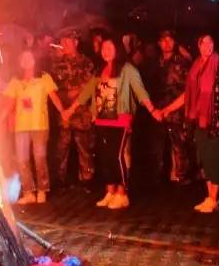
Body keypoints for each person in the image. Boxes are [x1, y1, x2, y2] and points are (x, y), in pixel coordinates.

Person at [66, 37, 159, 209]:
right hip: (101, 120)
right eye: (103, 48)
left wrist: (153, 110)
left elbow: (140, 91)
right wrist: (70, 110)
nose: (106, 51)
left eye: (110, 47)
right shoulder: (100, 70)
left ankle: (122, 194)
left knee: (117, 157)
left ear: (117, 49)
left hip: (120, 119)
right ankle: (110, 191)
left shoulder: (127, 69)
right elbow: (86, 92)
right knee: (105, 158)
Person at [3, 49, 65, 205]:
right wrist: (0, 119)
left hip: (39, 124)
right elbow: (9, 104)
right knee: (22, 160)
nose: (26, 60)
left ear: (35, 60)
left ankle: (43, 189)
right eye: (23, 58)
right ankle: (28, 192)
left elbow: (54, 98)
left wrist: (64, 112)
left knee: (39, 158)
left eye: (29, 57)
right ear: (20, 62)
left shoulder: (44, 78)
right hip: (21, 126)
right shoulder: (15, 81)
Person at [186, 34, 219, 213]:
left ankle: (214, 198)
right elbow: (188, 95)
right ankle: (210, 198)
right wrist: (167, 109)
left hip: (216, 120)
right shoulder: (195, 67)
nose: (208, 45)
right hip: (199, 119)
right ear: (199, 45)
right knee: (205, 159)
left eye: (211, 42)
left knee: (215, 157)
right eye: (204, 42)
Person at [50, 29, 96, 188]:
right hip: (62, 111)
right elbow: (51, 87)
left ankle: (87, 179)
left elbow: (87, 85)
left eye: (68, 41)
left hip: (81, 112)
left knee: (84, 147)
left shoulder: (86, 62)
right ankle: (59, 180)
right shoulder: (56, 63)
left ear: (76, 42)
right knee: (61, 148)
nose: (64, 44)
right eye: (62, 41)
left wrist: (72, 94)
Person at [151, 30, 195, 184]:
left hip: (177, 111)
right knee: (159, 146)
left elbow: (188, 90)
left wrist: (171, 108)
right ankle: (159, 175)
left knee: (179, 146)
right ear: (158, 43)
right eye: (163, 40)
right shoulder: (154, 63)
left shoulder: (182, 63)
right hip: (157, 112)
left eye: (170, 40)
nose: (166, 43)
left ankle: (180, 176)